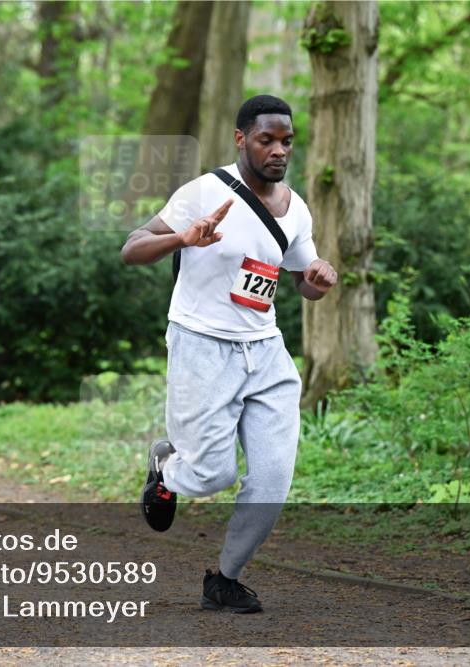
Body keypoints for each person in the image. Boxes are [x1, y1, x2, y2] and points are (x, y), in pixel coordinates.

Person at [120, 95, 338, 613]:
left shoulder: (297, 208)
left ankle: (224, 578)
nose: (279, 150)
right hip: (201, 345)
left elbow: (300, 281)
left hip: (264, 352)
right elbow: (132, 248)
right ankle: (165, 465)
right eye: (267, 139)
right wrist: (181, 238)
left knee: (271, 480)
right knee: (212, 475)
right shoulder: (204, 191)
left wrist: (318, 281)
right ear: (241, 139)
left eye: (287, 141)